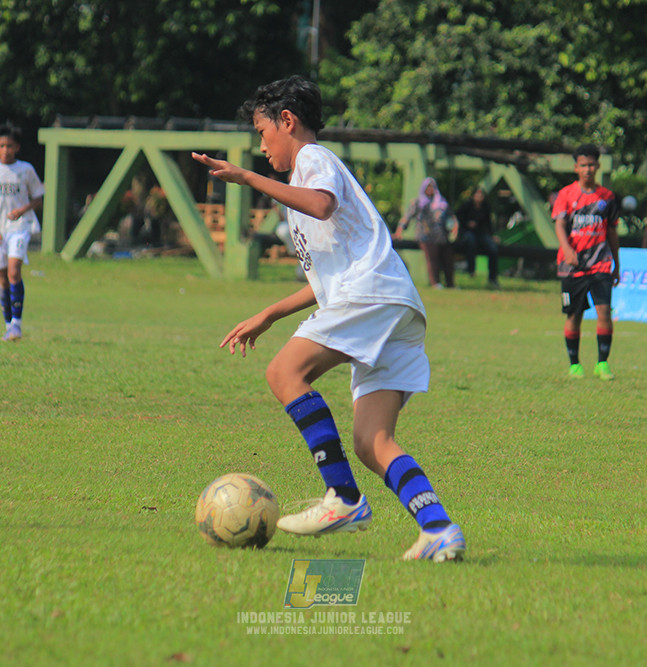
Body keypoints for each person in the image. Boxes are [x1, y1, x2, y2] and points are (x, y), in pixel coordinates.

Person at [192, 76, 465, 562]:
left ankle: (343, 497)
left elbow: (322, 204)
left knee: (283, 373)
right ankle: (438, 529)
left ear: (288, 122)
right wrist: (269, 314)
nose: (262, 147)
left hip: (372, 297)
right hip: (392, 305)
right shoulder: (304, 180)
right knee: (372, 440)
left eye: (263, 133)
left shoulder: (313, 161)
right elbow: (326, 282)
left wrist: (246, 178)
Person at [552, 144, 620, 380]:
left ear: (598, 165)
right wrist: (567, 249)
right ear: (575, 167)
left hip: (600, 264)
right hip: (572, 266)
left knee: (604, 313)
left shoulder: (607, 198)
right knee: (574, 316)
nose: (588, 169)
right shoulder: (566, 195)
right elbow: (559, 224)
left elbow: (612, 231)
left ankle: (602, 363)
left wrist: (617, 264)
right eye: (583, 165)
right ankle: (574, 364)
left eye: (592, 164)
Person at [0, 123, 45, 342]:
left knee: (14, 271)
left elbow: (38, 197)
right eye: (1, 145)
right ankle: (8, 325)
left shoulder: (26, 170)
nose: (6, 149)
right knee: (2, 278)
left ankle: (17, 324)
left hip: (20, 227)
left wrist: (22, 209)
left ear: (17, 147)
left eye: (10, 145)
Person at [395, 177, 458, 289]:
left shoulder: (441, 202)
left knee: (448, 259)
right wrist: (399, 230)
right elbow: (408, 216)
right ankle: (435, 283)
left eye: (432, 187)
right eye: (428, 187)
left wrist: (454, 227)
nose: (430, 189)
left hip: (441, 236)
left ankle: (450, 284)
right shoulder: (419, 202)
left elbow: (451, 217)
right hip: (425, 236)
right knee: (432, 258)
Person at [455, 187, 500, 288]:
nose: (479, 197)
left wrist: (492, 235)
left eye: (481, 195)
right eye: (477, 195)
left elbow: (488, 223)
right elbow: (458, 217)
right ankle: (471, 269)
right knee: (471, 241)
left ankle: (493, 278)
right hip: (467, 232)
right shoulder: (466, 205)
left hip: (480, 233)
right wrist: (467, 223)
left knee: (493, 248)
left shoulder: (486, 207)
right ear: (473, 196)